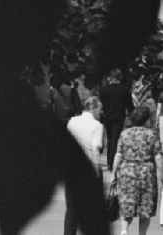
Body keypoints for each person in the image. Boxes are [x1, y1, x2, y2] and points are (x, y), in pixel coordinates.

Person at [112, 106, 163, 235]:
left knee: (127, 204)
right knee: (145, 207)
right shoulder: (152, 134)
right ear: (146, 119)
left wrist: (114, 174)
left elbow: (118, 154)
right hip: (146, 174)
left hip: (127, 172)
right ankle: (142, 234)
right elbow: (158, 157)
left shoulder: (124, 133)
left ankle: (124, 231)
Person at [64, 96, 105, 235]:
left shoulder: (72, 121)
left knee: (72, 209)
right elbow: (95, 148)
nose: (101, 112)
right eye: (100, 109)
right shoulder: (97, 126)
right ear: (93, 108)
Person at [99, 69, 133, 171]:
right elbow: (129, 105)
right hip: (119, 116)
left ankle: (109, 162)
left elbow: (101, 104)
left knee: (110, 139)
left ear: (111, 78)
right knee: (115, 139)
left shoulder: (103, 89)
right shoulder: (124, 89)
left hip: (107, 117)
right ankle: (113, 161)